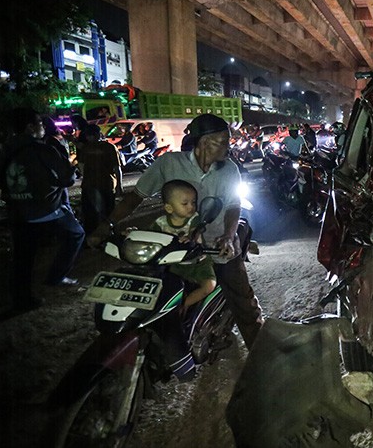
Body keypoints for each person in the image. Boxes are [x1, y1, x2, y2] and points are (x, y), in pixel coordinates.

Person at [88, 113, 263, 348]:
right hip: (175, 246)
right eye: (222, 140)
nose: (228, 146)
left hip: (217, 246)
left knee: (243, 301)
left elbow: (233, 205)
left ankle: (260, 349)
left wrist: (229, 236)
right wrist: (107, 225)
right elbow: (135, 198)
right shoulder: (168, 163)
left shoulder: (229, 169)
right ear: (203, 142)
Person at [0, 108, 84, 313]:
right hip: (47, 210)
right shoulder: (43, 150)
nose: (42, 127)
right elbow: (67, 179)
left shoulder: (5, 150)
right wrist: (71, 166)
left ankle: (21, 299)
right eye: (38, 122)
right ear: (30, 127)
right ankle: (57, 276)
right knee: (76, 233)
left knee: (23, 257)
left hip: (18, 212)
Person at [150, 179, 216, 312]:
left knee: (209, 285)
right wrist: (132, 233)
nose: (191, 207)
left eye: (193, 202)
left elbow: (195, 231)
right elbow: (149, 235)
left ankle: (184, 305)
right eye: (185, 203)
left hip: (199, 263)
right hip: (174, 265)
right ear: (169, 208)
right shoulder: (161, 223)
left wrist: (190, 237)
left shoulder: (194, 218)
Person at [77, 124, 124, 234]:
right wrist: (119, 186)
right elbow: (117, 168)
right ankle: (109, 236)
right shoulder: (109, 147)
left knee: (90, 215)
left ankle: (92, 239)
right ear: (99, 134)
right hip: (106, 184)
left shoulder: (86, 148)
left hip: (90, 185)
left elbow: (81, 166)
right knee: (108, 214)